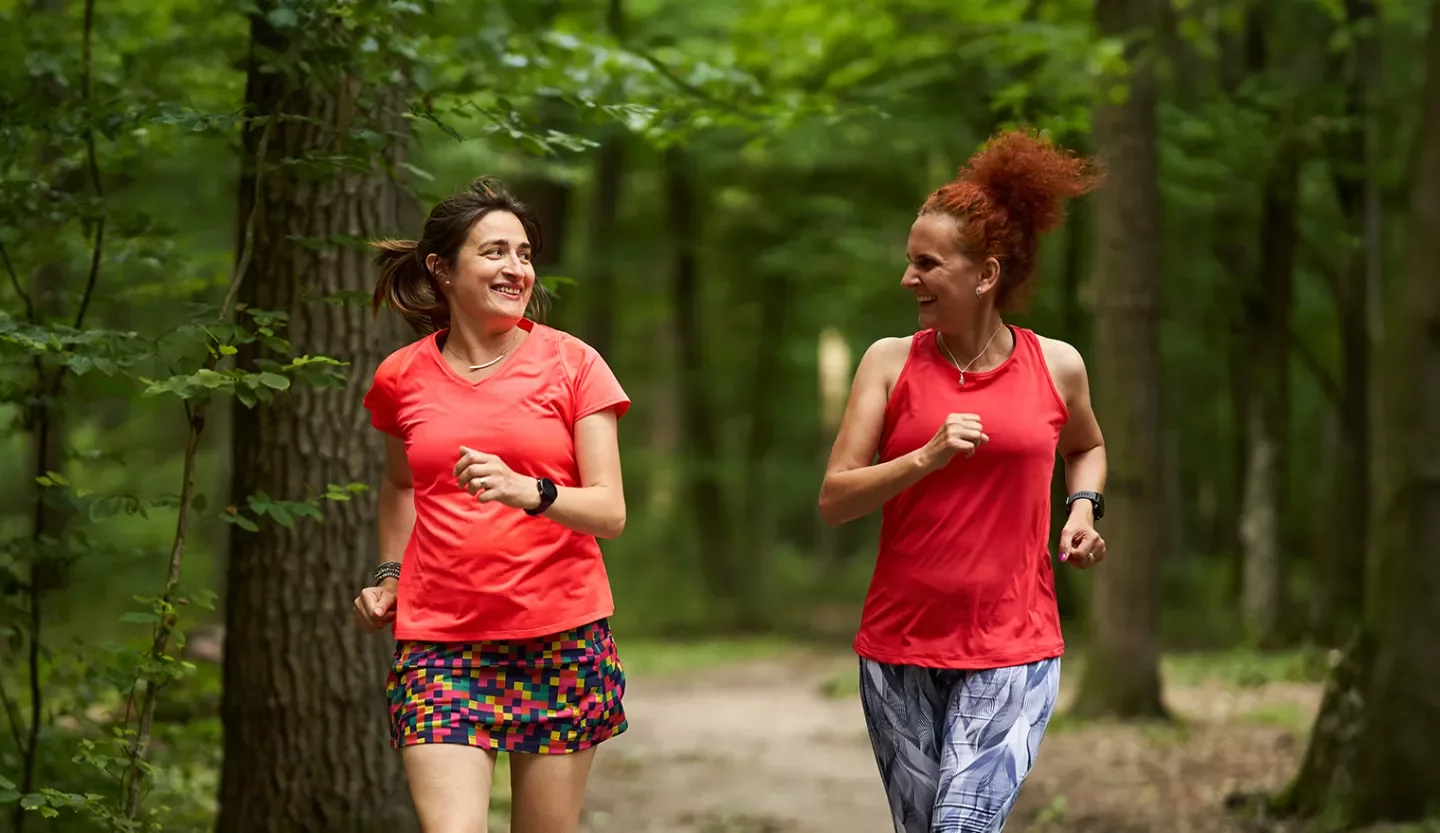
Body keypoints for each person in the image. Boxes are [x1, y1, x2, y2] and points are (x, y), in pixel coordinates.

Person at [817, 129, 1108, 833]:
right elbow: (834, 498)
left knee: (959, 827)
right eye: (908, 261)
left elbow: (1088, 446)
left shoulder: (1057, 365)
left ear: (984, 275)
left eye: (927, 263)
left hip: (1014, 646)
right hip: (899, 649)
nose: (907, 279)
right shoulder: (888, 363)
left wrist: (1083, 510)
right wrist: (924, 457)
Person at [351, 177, 630, 833]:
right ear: (441, 269)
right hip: (440, 644)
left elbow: (611, 510)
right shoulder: (401, 377)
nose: (516, 268)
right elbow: (399, 487)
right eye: (495, 251)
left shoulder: (574, 364)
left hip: (559, 638)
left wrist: (528, 490)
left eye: (525, 253)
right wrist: (390, 576)